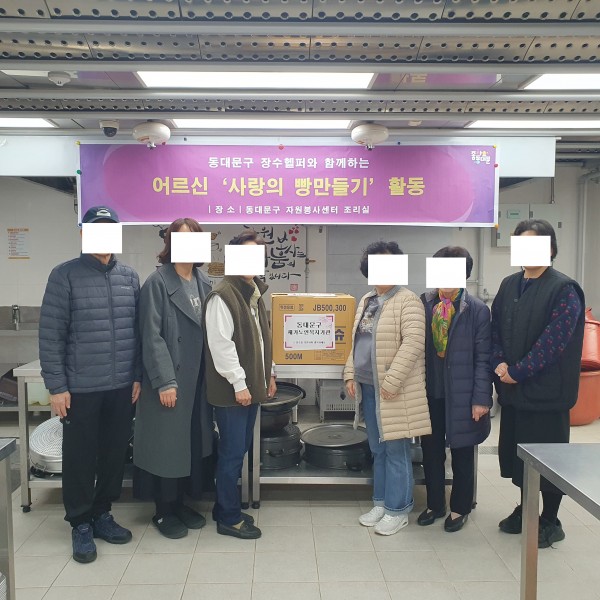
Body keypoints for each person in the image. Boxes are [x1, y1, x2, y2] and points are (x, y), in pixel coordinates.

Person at [39, 206, 141, 564]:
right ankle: (80, 522)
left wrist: (137, 376)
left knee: (114, 455)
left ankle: (102, 513)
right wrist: (56, 386)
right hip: (80, 388)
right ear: (84, 234)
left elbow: (138, 333)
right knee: (80, 457)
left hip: (121, 386)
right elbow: (51, 335)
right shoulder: (64, 275)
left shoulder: (129, 277)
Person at [491, 219, 585, 548]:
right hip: (514, 391)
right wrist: (499, 363)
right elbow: (495, 329)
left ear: (551, 248)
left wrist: (519, 371)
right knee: (519, 458)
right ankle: (527, 508)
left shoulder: (564, 289)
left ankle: (551, 519)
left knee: (549, 462)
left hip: (547, 395)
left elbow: (554, 342)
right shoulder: (509, 285)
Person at [133, 218, 214, 539]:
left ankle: (180, 504)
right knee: (166, 447)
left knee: (189, 446)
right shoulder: (157, 283)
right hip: (169, 382)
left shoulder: (204, 282)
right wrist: (165, 381)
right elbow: (150, 337)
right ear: (170, 244)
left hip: (198, 383)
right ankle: (163, 511)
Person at [344, 241, 431, 536]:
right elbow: (357, 341)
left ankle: (398, 509)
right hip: (369, 387)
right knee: (377, 449)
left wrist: (392, 382)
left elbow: (413, 344)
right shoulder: (367, 299)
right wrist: (350, 374)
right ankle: (381, 503)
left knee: (396, 450)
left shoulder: (408, 301)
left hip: (395, 391)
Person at [204, 230, 276, 540]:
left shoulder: (253, 292)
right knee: (232, 453)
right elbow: (221, 346)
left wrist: (270, 374)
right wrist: (239, 383)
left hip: (250, 388)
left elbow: (261, 339)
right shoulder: (223, 295)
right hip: (233, 392)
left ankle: (224, 507)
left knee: (240, 449)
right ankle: (229, 518)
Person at [419, 246, 492, 533]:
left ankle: (460, 506)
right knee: (431, 451)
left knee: (462, 451)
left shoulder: (476, 310)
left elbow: (484, 358)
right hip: (430, 391)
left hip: (463, 394)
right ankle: (435, 504)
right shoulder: (424, 304)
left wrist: (481, 398)